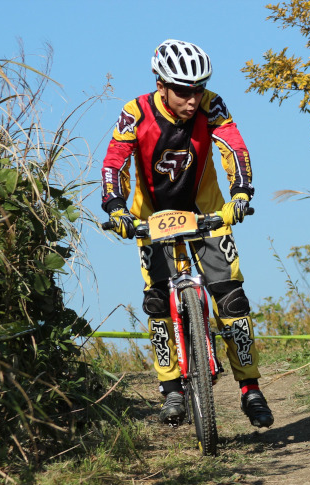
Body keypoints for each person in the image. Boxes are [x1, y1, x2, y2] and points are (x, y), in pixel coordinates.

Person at [101, 39, 273, 428]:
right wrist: (115, 206)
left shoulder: (213, 104)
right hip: (152, 216)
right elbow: (115, 160)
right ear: (160, 84)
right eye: (182, 90)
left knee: (232, 300)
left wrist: (242, 192)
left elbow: (234, 147)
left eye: (198, 89)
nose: (192, 99)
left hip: (207, 211)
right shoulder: (135, 111)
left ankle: (251, 388)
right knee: (158, 301)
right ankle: (171, 388)